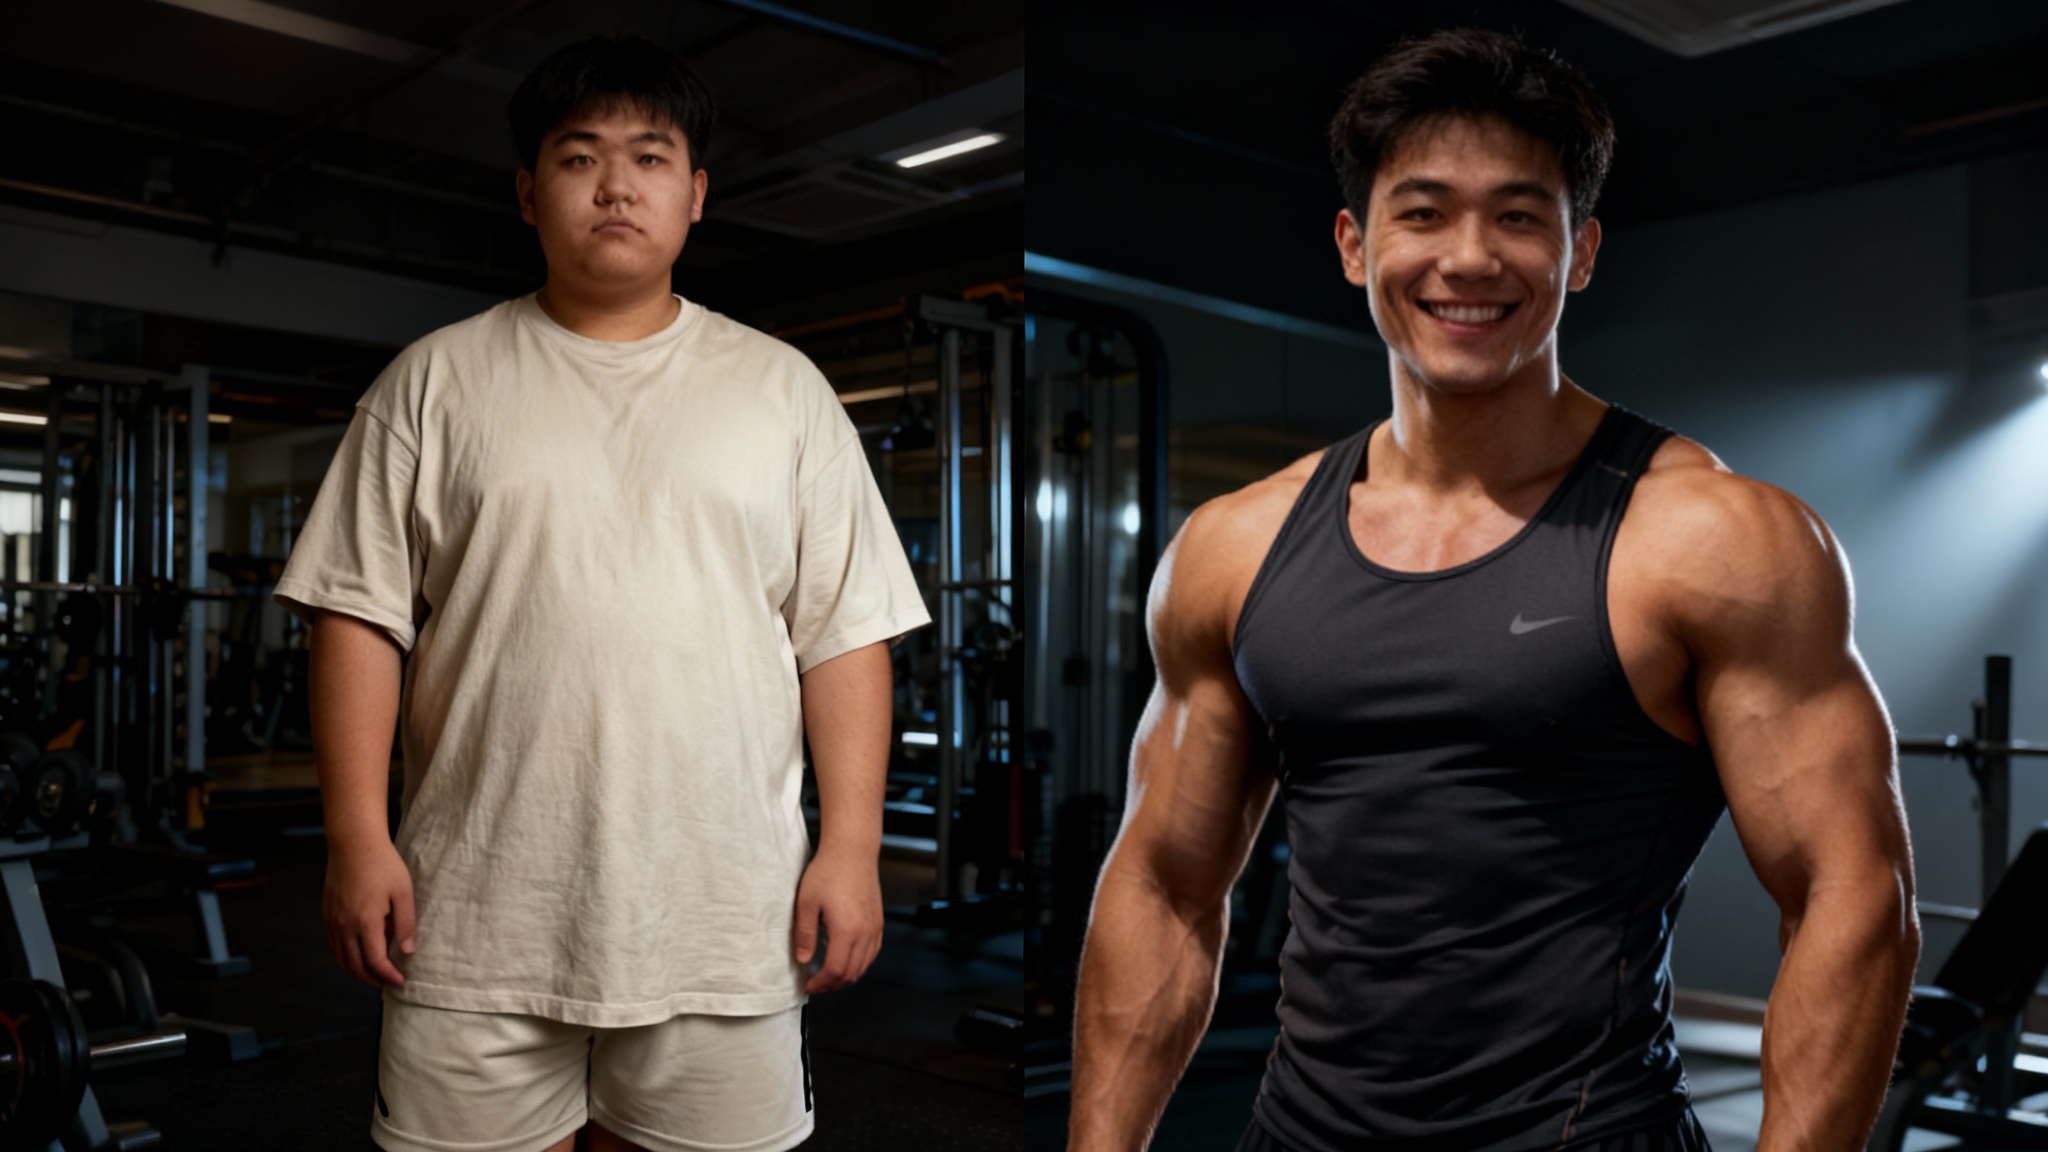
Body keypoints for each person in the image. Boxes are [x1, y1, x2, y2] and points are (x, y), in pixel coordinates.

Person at [1067, 28, 1918, 1152]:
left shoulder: (1710, 537)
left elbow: (1849, 896)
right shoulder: (1233, 546)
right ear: (1351, 245)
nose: (1467, 259)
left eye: (1518, 216)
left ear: (1579, 251)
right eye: (1420, 212)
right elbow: (1165, 885)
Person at [274, 35, 928, 1152]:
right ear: (530, 194)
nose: (616, 186)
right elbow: (357, 616)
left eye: (649, 157)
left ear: (695, 193)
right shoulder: (433, 382)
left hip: (723, 917)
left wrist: (853, 847)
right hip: (474, 916)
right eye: (579, 159)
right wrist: (354, 836)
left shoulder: (782, 392)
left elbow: (843, 636)